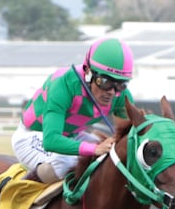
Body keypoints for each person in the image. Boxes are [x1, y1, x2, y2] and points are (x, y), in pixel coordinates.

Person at [11, 36, 134, 183]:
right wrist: (94, 149)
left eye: (120, 84)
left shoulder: (121, 95)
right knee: (65, 163)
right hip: (34, 136)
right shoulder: (63, 85)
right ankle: (23, 186)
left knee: (109, 156)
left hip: (72, 136)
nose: (112, 92)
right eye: (105, 82)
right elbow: (51, 141)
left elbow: (131, 134)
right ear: (88, 72)